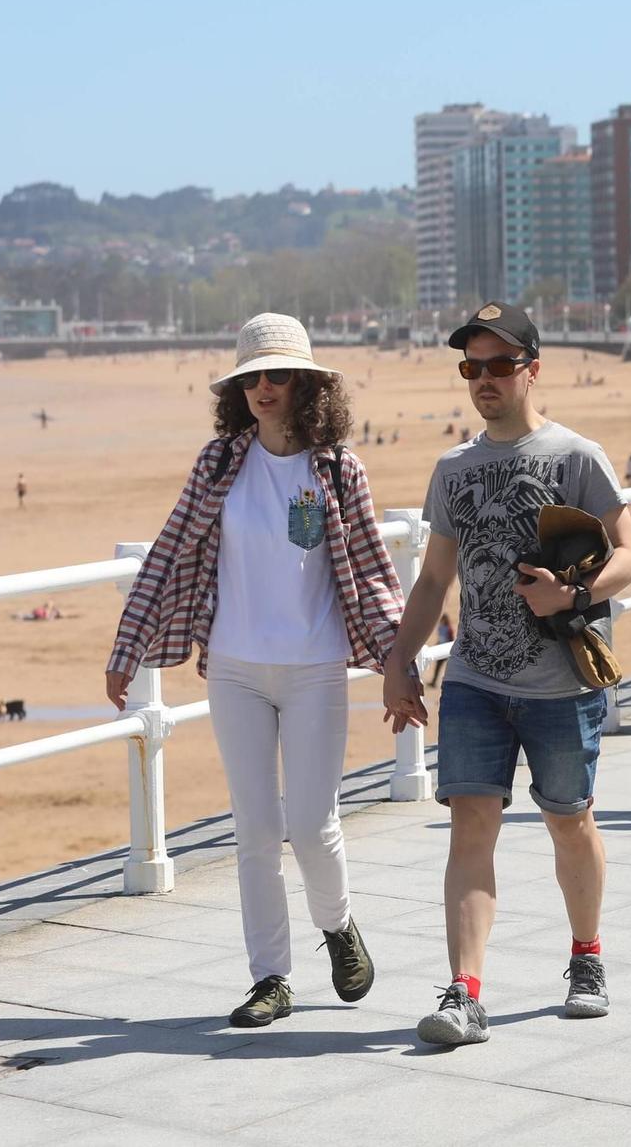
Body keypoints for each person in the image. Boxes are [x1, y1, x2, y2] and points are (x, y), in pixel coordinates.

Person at [105, 312, 403, 1030]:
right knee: (255, 828)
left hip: (316, 666)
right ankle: (271, 976)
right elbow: (169, 552)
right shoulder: (218, 463)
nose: (264, 389)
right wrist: (127, 649)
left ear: (305, 383)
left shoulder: (337, 468)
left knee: (311, 822)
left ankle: (338, 926)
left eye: (277, 375)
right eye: (251, 378)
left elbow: (372, 569)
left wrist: (401, 665)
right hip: (234, 666)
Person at [381, 301, 631, 1047]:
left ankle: (586, 957)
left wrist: (577, 595)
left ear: (533, 367)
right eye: (472, 366)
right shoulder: (454, 470)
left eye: (500, 364)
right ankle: (465, 993)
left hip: (560, 681)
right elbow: (434, 581)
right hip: (474, 678)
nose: (485, 379)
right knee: (471, 825)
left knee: (570, 819)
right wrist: (402, 661)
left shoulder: (575, 457)